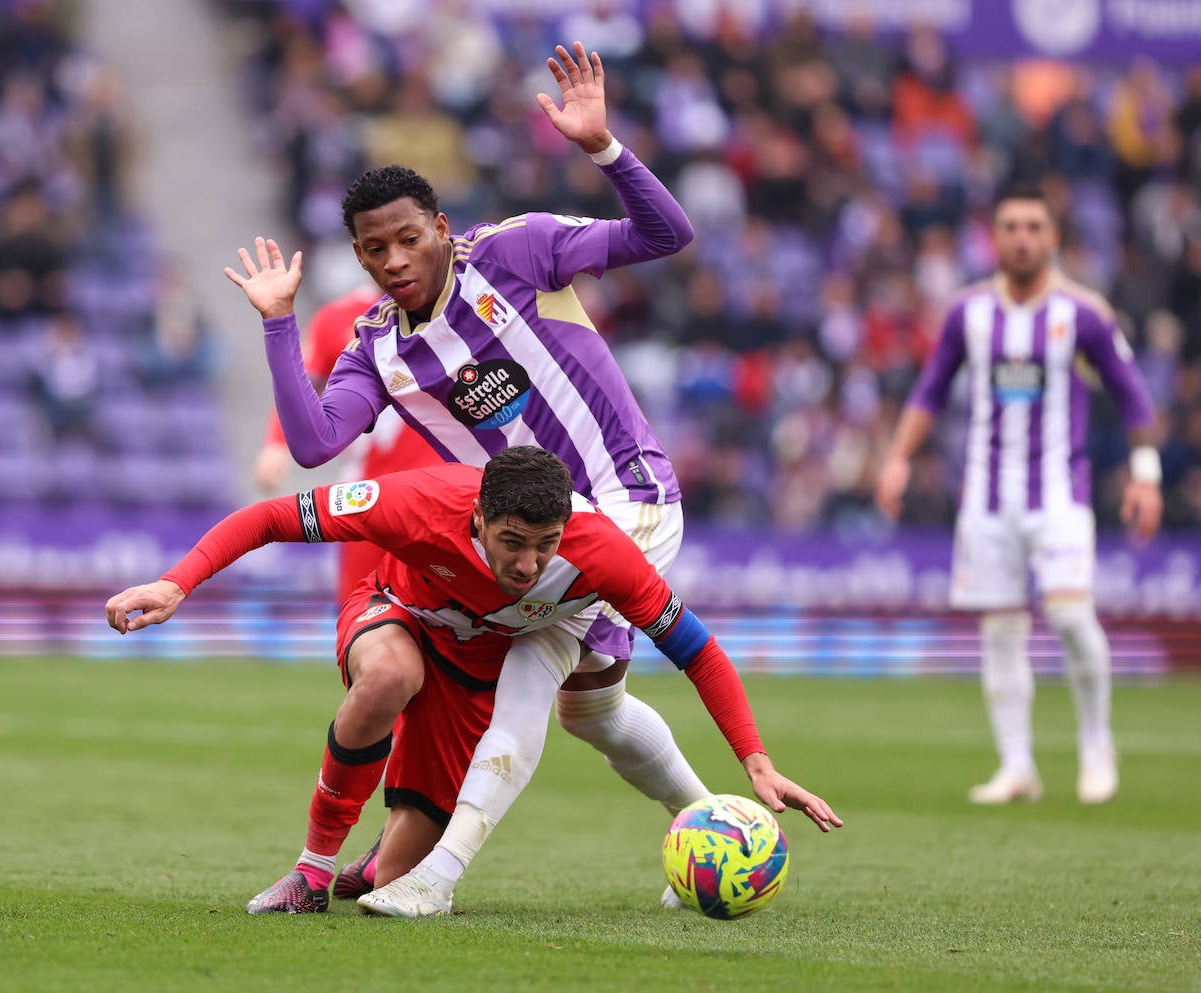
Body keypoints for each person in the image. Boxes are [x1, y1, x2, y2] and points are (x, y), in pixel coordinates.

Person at [224, 42, 713, 908]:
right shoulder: (376, 343)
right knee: (590, 712)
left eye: (410, 237)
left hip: (625, 498)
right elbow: (313, 443)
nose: (395, 258)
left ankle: (436, 878)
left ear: (441, 228)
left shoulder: (519, 251)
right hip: (530, 534)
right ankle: (715, 825)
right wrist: (278, 325)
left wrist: (604, 148)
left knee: (528, 661)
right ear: (361, 257)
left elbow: (667, 234)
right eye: (376, 249)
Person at [105, 447, 842, 916]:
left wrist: (756, 760)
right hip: (395, 612)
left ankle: (374, 865)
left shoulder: (601, 554)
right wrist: (178, 584)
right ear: (478, 518)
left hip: (473, 665)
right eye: (512, 542)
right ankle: (312, 868)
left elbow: (698, 649)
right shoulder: (419, 502)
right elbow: (271, 516)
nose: (528, 564)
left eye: (544, 546)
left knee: (399, 873)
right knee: (390, 673)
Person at [875, 183, 1162, 806]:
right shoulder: (968, 313)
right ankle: (1017, 766)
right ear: (994, 237)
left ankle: (1096, 743)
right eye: (1011, 226)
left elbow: (1133, 394)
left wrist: (1145, 474)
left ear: (1054, 237)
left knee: (1067, 615)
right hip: (985, 500)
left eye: (1035, 226)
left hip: (1061, 495)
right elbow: (929, 391)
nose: (1023, 237)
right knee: (1001, 633)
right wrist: (898, 459)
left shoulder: (1083, 313)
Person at [252, 282, 442, 605]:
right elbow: (303, 383)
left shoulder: (459, 300)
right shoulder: (337, 317)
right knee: (360, 609)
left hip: (441, 492)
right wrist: (276, 442)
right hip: (368, 493)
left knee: (449, 618)